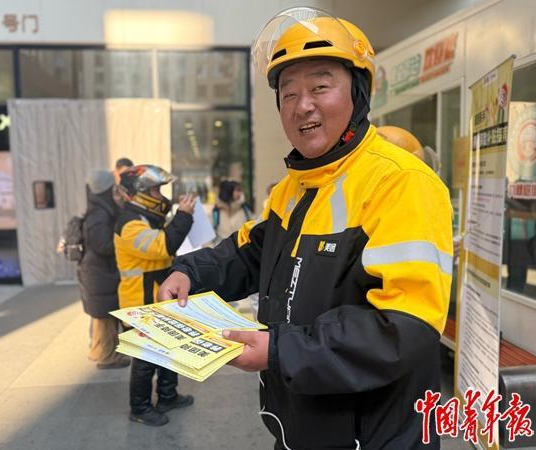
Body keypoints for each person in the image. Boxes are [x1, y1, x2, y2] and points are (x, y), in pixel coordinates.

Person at [159, 8, 452, 450]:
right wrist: (190, 271)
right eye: (289, 93)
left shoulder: (401, 182)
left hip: (372, 436)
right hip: (299, 423)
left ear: (358, 90)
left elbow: (402, 327)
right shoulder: (294, 187)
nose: (302, 105)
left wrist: (279, 351)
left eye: (320, 86)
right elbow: (251, 251)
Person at [115, 164, 196, 427]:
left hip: (157, 299)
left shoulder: (147, 218)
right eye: (155, 190)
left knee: (168, 350)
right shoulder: (130, 224)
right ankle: (139, 408)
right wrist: (183, 217)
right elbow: (163, 246)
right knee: (145, 360)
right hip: (139, 303)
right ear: (139, 193)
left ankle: (168, 397)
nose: (160, 196)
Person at [77, 170, 130, 370]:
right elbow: (103, 245)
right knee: (104, 318)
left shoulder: (98, 209)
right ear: (107, 189)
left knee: (102, 318)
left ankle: (99, 351)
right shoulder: (99, 214)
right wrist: (124, 242)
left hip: (99, 272)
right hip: (99, 274)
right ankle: (107, 357)